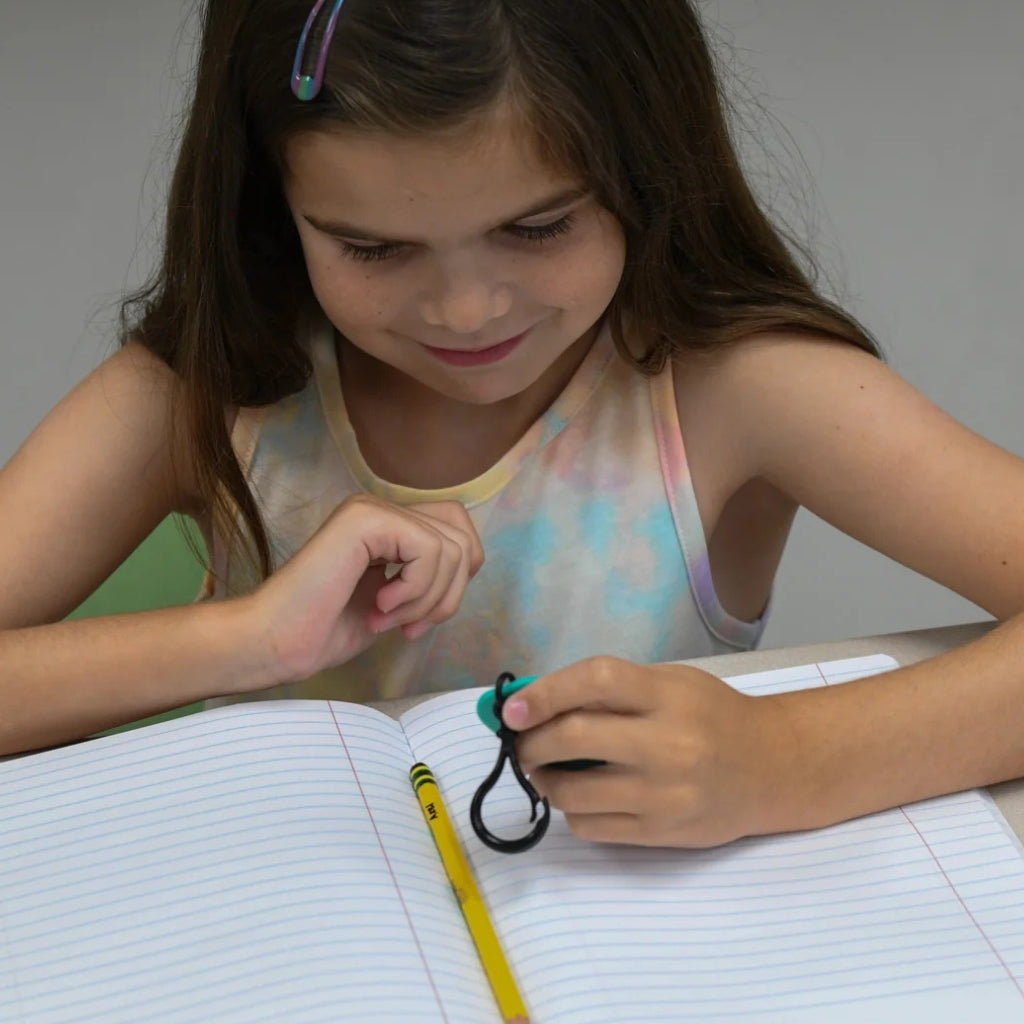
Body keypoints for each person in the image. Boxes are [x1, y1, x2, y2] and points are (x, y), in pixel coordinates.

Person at [2, 0, 1023, 850]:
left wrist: (785, 761)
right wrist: (242, 640)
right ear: (272, 207)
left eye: (537, 228)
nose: (465, 311)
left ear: (646, 171)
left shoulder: (738, 387)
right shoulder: (203, 388)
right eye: (371, 247)